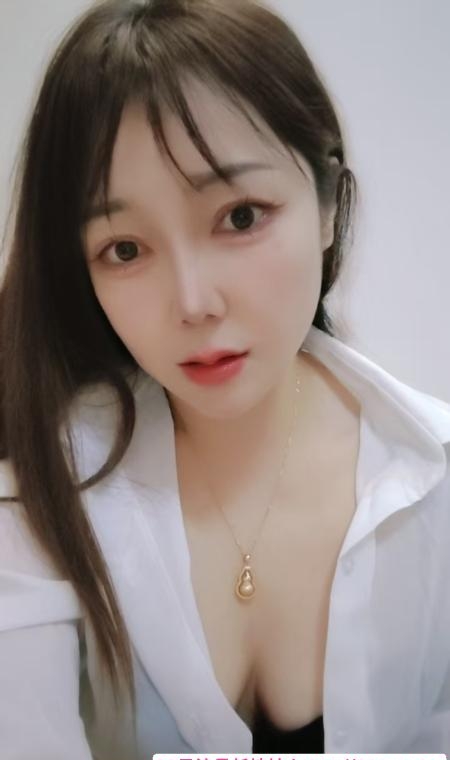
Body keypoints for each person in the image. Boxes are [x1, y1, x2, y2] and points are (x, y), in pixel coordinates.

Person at [0, 0, 449, 757]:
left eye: (241, 217)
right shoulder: (40, 490)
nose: (193, 303)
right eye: (124, 249)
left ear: (329, 205)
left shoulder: (428, 477)